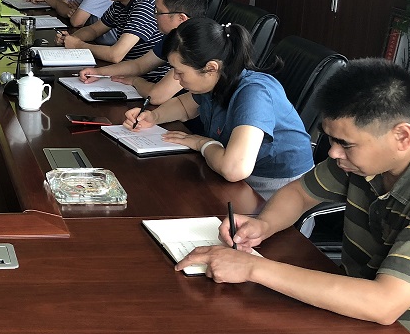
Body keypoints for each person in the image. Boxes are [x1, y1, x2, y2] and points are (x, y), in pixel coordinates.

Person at [178, 59, 410, 334]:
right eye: (331, 139)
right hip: (357, 321)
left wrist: (255, 267)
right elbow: (301, 193)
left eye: (345, 144)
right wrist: (263, 224)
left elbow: (382, 304)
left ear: (401, 136)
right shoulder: (366, 157)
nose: (332, 152)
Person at [126, 17, 313, 200]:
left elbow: (234, 169)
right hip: (237, 176)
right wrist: (153, 116)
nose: (175, 77)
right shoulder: (219, 80)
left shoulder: (254, 93)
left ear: (211, 68)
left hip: (278, 188)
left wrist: (202, 143)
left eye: (180, 72)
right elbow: (184, 106)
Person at [78, 0, 207, 103]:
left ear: (181, 18)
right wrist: (99, 72)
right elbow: (139, 65)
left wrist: (135, 81)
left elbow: (155, 96)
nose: (154, 15)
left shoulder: (196, 47)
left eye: (158, 11)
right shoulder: (174, 37)